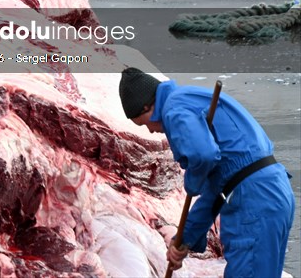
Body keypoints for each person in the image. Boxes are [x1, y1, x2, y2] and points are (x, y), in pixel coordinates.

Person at [119, 67, 294, 276]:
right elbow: (215, 192)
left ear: (148, 107)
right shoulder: (191, 98)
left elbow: (203, 156)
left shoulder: (174, 108)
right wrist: (184, 239)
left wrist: (193, 180)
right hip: (272, 191)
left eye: (145, 123)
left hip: (251, 200)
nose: (151, 130)